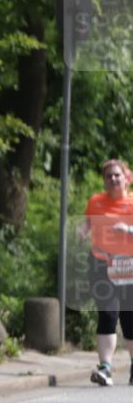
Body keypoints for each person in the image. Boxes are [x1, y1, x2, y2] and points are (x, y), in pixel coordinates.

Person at [77, 158, 133, 386]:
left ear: (127, 178)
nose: (112, 179)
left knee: (130, 318)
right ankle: (105, 367)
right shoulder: (96, 201)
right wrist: (82, 230)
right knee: (108, 313)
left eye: (117, 175)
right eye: (108, 176)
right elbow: (88, 223)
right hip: (102, 264)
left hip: (129, 266)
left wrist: (128, 229)